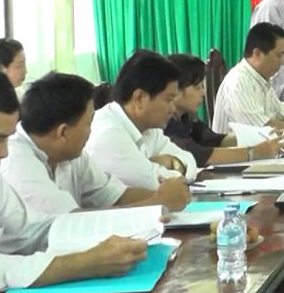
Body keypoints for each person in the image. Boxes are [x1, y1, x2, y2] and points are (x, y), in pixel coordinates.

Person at [0, 64, 146, 293]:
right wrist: (83, 264)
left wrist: (123, 228)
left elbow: (30, 231)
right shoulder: (13, 165)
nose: (3, 152)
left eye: (7, 139)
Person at [1, 72, 190, 215]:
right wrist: (158, 203)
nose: (91, 131)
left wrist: (164, 197)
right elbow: (71, 224)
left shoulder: (72, 155)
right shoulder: (17, 162)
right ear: (63, 132)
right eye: (89, 123)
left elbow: (117, 196)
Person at [85, 51, 199, 190]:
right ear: (139, 98)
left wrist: (171, 161)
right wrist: (166, 168)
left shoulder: (149, 128)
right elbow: (154, 185)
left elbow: (190, 162)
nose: (173, 109)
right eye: (168, 100)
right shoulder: (109, 134)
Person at [165, 54, 284, 167]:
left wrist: (262, 135)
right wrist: (254, 153)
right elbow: (199, 155)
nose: (203, 93)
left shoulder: (186, 118)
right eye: (197, 87)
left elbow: (214, 140)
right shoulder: (165, 123)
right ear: (175, 91)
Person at [212, 23, 284, 134]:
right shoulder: (239, 82)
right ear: (257, 53)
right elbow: (262, 128)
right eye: (279, 55)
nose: (282, 62)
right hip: (241, 148)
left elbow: (281, 110)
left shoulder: (260, 78)